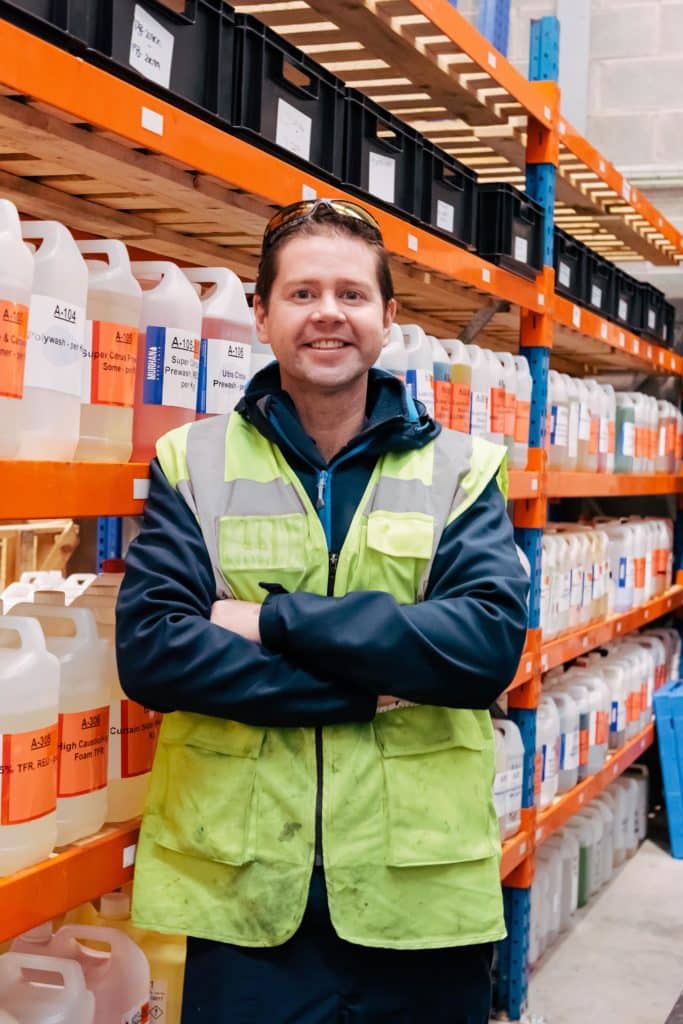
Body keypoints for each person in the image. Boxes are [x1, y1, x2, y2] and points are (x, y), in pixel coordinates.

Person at [116, 198, 530, 1023]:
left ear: (387, 318)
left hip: (416, 896)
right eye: (302, 294)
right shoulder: (191, 459)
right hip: (245, 895)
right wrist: (365, 688)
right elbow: (156, 653)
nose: (327, 315)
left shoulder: (463, 467)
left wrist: (270, 622)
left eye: (351, 294)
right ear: (261, 314)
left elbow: (482, 648)